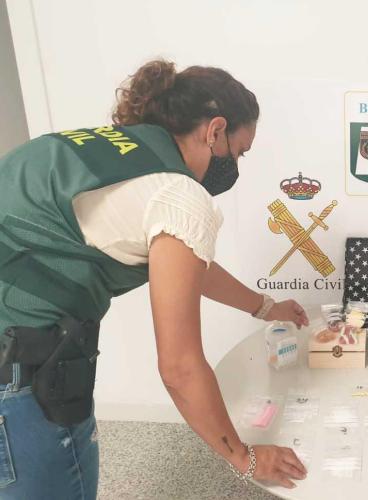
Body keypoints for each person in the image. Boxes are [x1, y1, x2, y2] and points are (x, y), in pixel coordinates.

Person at [0, 59, 310, 499]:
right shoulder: (178, 194)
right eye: (238, 152)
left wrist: (263, 307)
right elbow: (180, 367)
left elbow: (189, 268)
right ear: (215, 130)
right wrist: (245, 458)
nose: (235, 165)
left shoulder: (106, 151)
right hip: (21, 367)